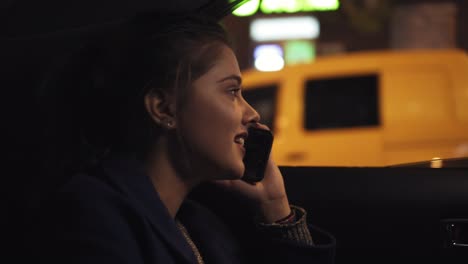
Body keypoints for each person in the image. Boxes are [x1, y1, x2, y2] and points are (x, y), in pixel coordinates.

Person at [31, 2, 335, 263]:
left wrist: (274, 205)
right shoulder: (94, 217)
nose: (252, 114)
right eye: (231, 91)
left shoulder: (198, 224)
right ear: (163, 109)